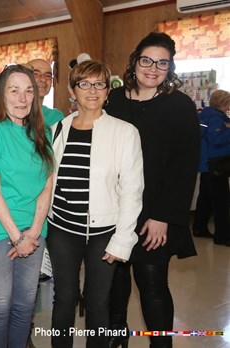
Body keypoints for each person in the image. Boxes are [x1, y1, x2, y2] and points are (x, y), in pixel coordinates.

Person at [105, 32, 200, 348]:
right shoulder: (113, 101)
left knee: (152, 282)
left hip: (155, 213)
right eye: (147, 60)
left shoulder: (179, 106)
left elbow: (184, 168)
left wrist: (162, 216)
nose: (153, 68)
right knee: (114, 283)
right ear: (134, 61)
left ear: (170, 68)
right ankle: (117, 338)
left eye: (162, 63)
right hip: (114, 210)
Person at [48, 60, 144, 348]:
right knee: (64, 298)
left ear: (107, 90)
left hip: (103, 232)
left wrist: (123, 240)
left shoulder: (124, 132)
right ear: (72, 90)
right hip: (62, 230)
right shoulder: (56, 129)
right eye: (84, 84)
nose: (92, 90)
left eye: (99, 83)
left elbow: (132, 190)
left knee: (98, 302)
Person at [0, 64, 53, 347]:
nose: (22, 98)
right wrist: (16, 236)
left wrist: (32, 233)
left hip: (33, 231)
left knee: (24, 306)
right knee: (0, 304)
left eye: (28, 91)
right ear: (1, 95)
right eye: (14, 90)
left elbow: (47, 187)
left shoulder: (41, 133)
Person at [192, 90, 230, 246]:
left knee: (205, 199)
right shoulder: (216, 118)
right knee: (222, 202)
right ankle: (223, 236)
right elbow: (217, 140)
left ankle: (199, 228)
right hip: (216, 165)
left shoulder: (205, 115)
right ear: (222, 103)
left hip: (206, 165)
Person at [27, 58, 64, 126]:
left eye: (48, 76)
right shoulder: (10, 116)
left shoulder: (56, 117)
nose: (43, 79)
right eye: (36, 74)